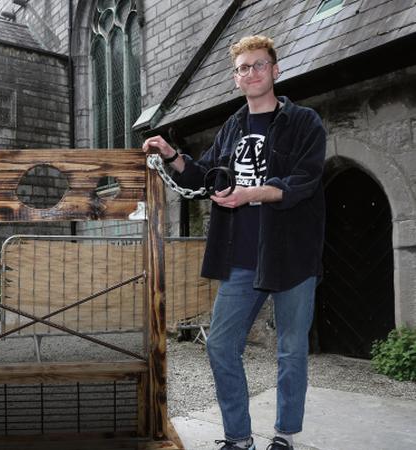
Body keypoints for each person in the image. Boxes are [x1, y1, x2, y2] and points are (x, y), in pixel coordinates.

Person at [142, 35, 326, 450]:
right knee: (223, 345)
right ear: (236, 78)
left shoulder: (304, 122)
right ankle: (239, 438)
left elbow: (304, 180)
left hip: (292, 254)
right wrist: (173, 155)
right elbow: (203, 175)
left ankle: (284, 436)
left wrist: (251, 193)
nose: (251, 73)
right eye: (243, 68)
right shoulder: (232, 127)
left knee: (292, 350)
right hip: (242, 257)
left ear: (275, 71)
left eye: (259, 65)